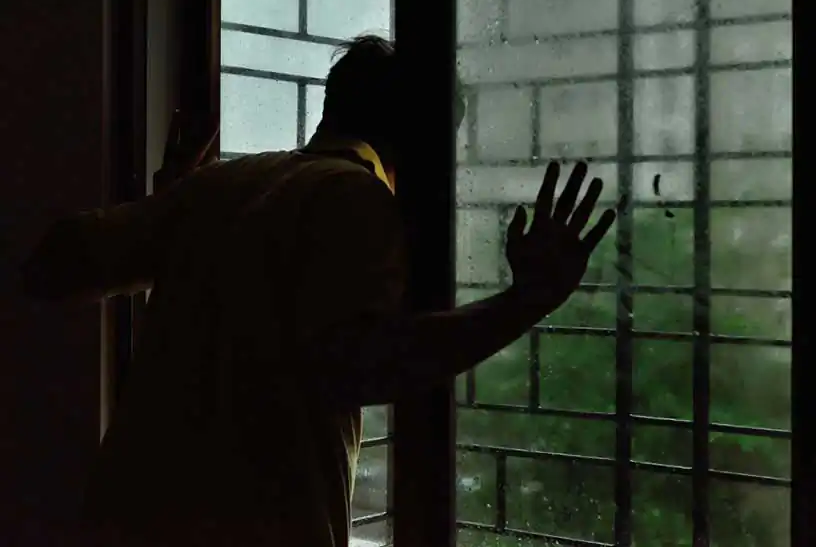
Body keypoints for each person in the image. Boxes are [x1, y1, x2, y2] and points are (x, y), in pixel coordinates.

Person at [20, 35, 616, 547]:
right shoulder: (356, 200)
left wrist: (170, 207)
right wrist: (524, 302)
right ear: (421, 144)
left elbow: (52, 265)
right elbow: (363, 362)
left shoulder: (220, 186)